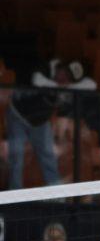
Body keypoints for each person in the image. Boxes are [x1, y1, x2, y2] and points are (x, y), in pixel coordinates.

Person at [6, 59, 68, 189]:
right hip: (18, 114)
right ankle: (14, 195)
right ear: (58, 69)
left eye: (68, 77)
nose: (64, 78)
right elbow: (37, 81)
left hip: (40, 121)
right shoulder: (43, 68)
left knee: (48, 155)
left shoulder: (68, 86)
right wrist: (58, 86)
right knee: (17, 154)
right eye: (62, 74)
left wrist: (65, 87)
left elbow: (91, 86)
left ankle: (56, 193)